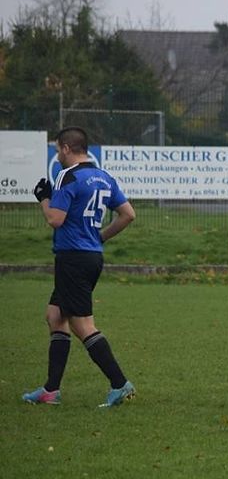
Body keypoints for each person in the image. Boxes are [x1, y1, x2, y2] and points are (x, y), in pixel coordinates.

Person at [23, 126, 137, 408]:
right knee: (55, 316)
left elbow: (55, 219)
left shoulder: (67, 175)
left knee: (82, 325)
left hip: (73, 257)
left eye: (57, 150)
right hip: (90, 256)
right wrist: (99, 238)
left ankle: (120, 384)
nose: (58, 155)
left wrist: (44, 198)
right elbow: (128, 214)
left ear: (65, 148)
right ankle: (51, 390)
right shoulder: (104, 176)